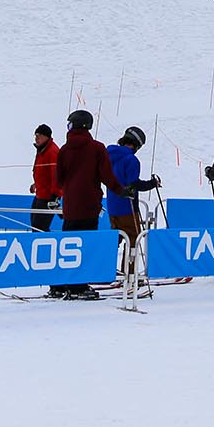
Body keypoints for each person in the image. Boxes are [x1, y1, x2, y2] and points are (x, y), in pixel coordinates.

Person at [54, 109, 119, 299]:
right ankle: (78, 286)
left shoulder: (64, 150)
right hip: (89, 205)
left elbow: (59, 179)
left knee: (67, 245)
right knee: (84, 246)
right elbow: (106, 176)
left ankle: (61, 284)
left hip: (70, 206)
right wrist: (121, 190)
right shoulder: (97, 148)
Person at [105, 125, 162, 248]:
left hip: (112, 205)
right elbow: (134, 184)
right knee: (133, 241)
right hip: (127, 207)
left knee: (114, 240)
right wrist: (152, 183)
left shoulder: (108, 155)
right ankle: (130, 267)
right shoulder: (131, 160)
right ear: (136, 144)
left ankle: (108, 266)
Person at [30, 123, 62, 231]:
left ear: (46, 136)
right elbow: (43, 173)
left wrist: (55, 195)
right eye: (35, 135)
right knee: (35, 226)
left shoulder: (52, 152)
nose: (36, 138)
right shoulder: (42, 150)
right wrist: (36, 184)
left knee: (39, 228)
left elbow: (56, 175)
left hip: (48, 196)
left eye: (38, 135)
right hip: (40, 193)